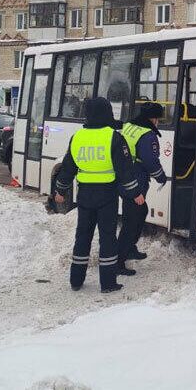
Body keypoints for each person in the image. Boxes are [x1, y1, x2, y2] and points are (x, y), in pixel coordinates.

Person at [54, 97, 142, 293]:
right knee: (107, 239)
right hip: (107, 197)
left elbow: (68, 168)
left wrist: (60, 190)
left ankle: (76, 280)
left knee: (82, 237)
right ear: (108, 113)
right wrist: (135, 193)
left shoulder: (77, 137)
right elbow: (125, 170)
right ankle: (108, 283)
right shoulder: (114, 137)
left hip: (84, 195)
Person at [117, 102, 167, 275]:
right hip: (135, 182)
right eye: (158, 119)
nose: (158, 123)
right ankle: (118, 261)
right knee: (132, 221)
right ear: (152, 119)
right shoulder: (147, 135)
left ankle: (129, 248)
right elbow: (150, 161)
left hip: (125, 179)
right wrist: (161, 177)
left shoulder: (130, 126)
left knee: (139, 213)